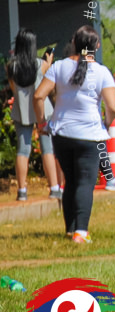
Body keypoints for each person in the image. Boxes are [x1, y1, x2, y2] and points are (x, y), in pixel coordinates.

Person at [33, 26, 115, 242]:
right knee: (85, 182)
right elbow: (113, 106)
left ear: (74, 43)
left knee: (70, 181)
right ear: (96, 46)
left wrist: (41, 122)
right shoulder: (101, 72)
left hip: (61, 134)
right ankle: (81, 232)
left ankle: (71, 229)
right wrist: (106, 124)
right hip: (90, 136)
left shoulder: (59, 67)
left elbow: (38, 96)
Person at [6, 29, 62, 201]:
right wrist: (49, 60)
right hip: (42, 111)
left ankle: (22, 191)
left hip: (21, 111)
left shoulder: (11, 66)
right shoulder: (40, 64)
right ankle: (54, 188)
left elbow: (13, 89)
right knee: (48, 148)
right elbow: (48, 81)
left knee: (23, 150)